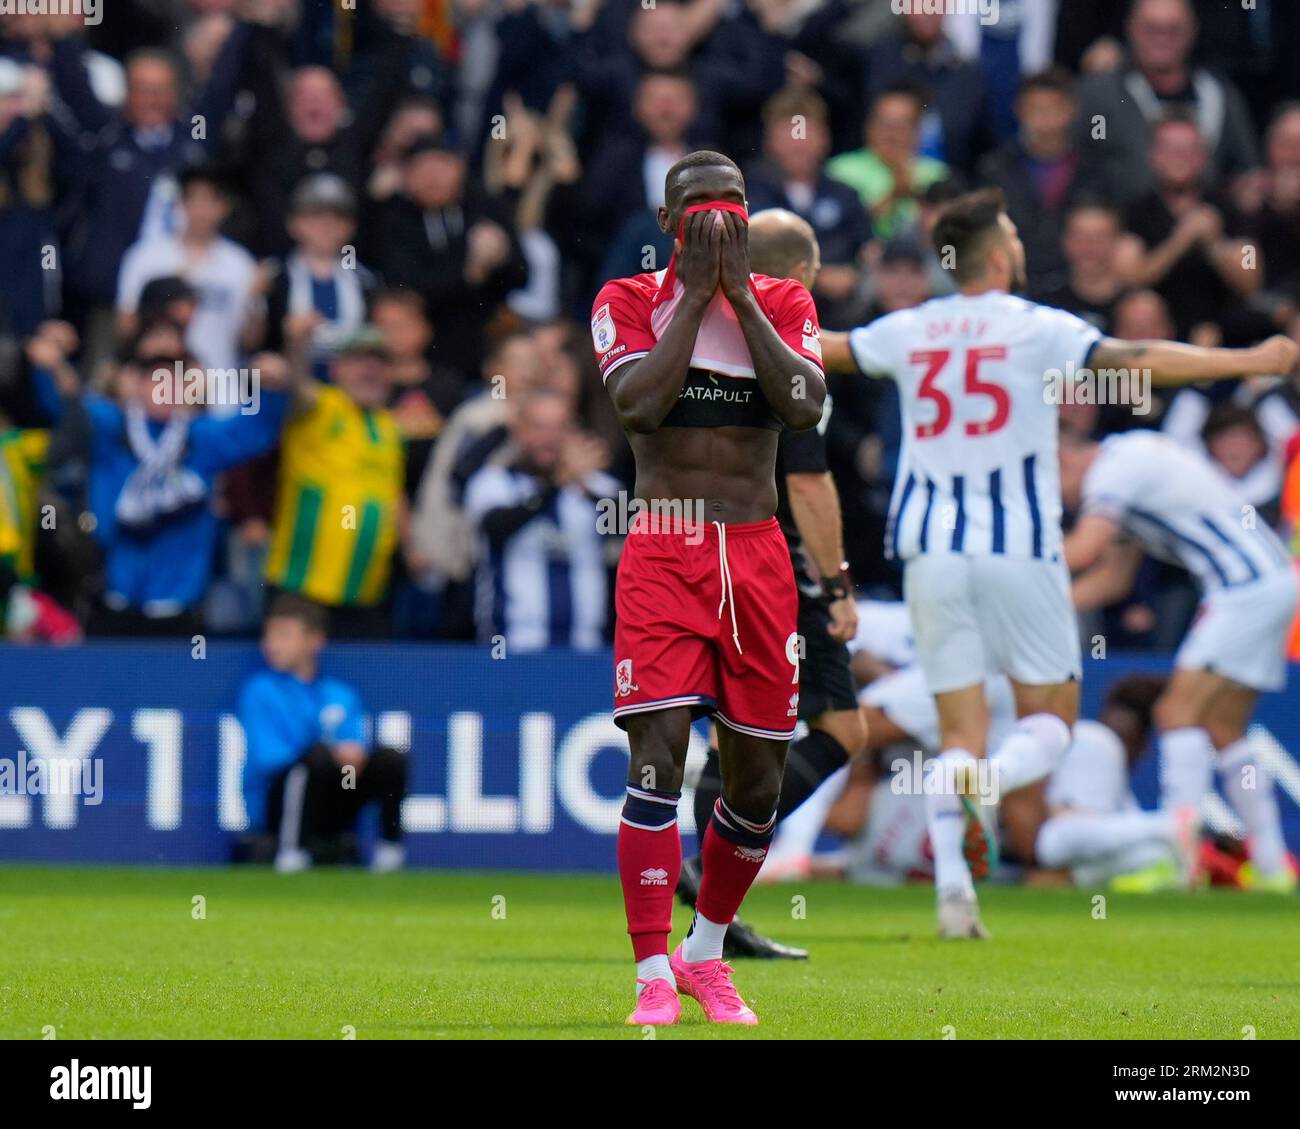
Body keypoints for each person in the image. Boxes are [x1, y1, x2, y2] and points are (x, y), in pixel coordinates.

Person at [819, 187, 1299, 938]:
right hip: (1019, 547)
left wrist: (733, 320)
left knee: (958, 730)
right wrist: (1247, 356)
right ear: (1000, 252)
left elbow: (826, 349)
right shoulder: (1038, 326)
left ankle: (955, 889)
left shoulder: (909, 327)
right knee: (1048, 724)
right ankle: (991, 783)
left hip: (930, 551)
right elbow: (1137, 359)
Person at [592, 149, 825, 1026]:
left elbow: (802, 405)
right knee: (656, 759)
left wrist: (741, 295)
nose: (716, 221)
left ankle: (706, 951)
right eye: (697, 209)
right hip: (666, 546)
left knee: (757, 782)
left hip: (758, 555)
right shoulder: (625, 301)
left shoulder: (789, 302)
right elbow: (637, 409)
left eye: (730, 206)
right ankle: (652, 968)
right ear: (668, 224)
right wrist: (694, 294)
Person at [678, 208, 866, 961]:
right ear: (802, 278)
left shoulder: (696, 340)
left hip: (690, 547)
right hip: (773, 560)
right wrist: (838, 582)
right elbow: (811, 482)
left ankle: (709, 919)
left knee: (734, 736)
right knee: (840, 730)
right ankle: (710, 876)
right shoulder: (782, 348)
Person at [1060, 427, 1299, 893]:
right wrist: (1040, 609)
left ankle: (1178, 860)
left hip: (1244, 589)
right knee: (1224, 728)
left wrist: (1013, 571)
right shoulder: (1130, 463)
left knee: (1175, 712)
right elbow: (1112, 578)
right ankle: (1273, 867)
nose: (1065, 508)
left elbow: (1084, 549)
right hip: (1268, 583)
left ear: (1062, 461)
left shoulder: (1114, 470)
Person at [237, 593, 407, 874]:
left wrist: (351, 755)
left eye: (284, 635)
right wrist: (329, 752)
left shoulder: (340, 693)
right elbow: (269, 759)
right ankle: (291, 852)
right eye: (268, 636)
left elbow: (354, 747)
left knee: (390, 759)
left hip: (332, 795)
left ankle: (390, 851)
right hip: (279, 801)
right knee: (313, 761)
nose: (271, 645)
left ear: (314, 640)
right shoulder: (259, 691)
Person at [264, 323, 406, 639]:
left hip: (366, 595)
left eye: (380, 362)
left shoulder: (389, 427)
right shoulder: (323, 407)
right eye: (360, 360)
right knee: (292, 682)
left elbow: (391, 496)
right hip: (303, 589)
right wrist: (296, 345)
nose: (371, 369)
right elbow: (296, 389)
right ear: (336, 367)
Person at [463, 387, 617, 652]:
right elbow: (498, 527)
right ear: (519, 430)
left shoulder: (598, 487)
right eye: (539, 427)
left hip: (586, 647)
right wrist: (557, 484)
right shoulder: (492, 483)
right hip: (512, 644)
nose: (550, 438)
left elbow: (633, 529)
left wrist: (584, 487)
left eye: (559, 428)